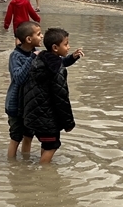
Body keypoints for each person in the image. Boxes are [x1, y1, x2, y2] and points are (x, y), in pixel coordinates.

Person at [22, 27, 83, 164]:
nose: (68, 47)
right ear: (55, 48)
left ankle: (31, 169)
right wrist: (69, 123)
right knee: (52, 146)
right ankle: (43, 178)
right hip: (47, 120)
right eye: (66, 44)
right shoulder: (57, 70)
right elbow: (62, 99)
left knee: (46, 144)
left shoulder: (39, 60)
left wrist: (72, 58)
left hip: (32, 116)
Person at [5, 20, 42, 159]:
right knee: (16, 137)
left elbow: (55, 63)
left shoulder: (37, 53)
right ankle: (12, 166)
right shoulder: (15, 56)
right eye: (38, 34)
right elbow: (19, 78)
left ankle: (25, 164)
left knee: (28, 136)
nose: (42, 36)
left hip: (29, 104)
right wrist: (32, 58)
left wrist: (71, 58)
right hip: (16, 105)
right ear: (28, 39)